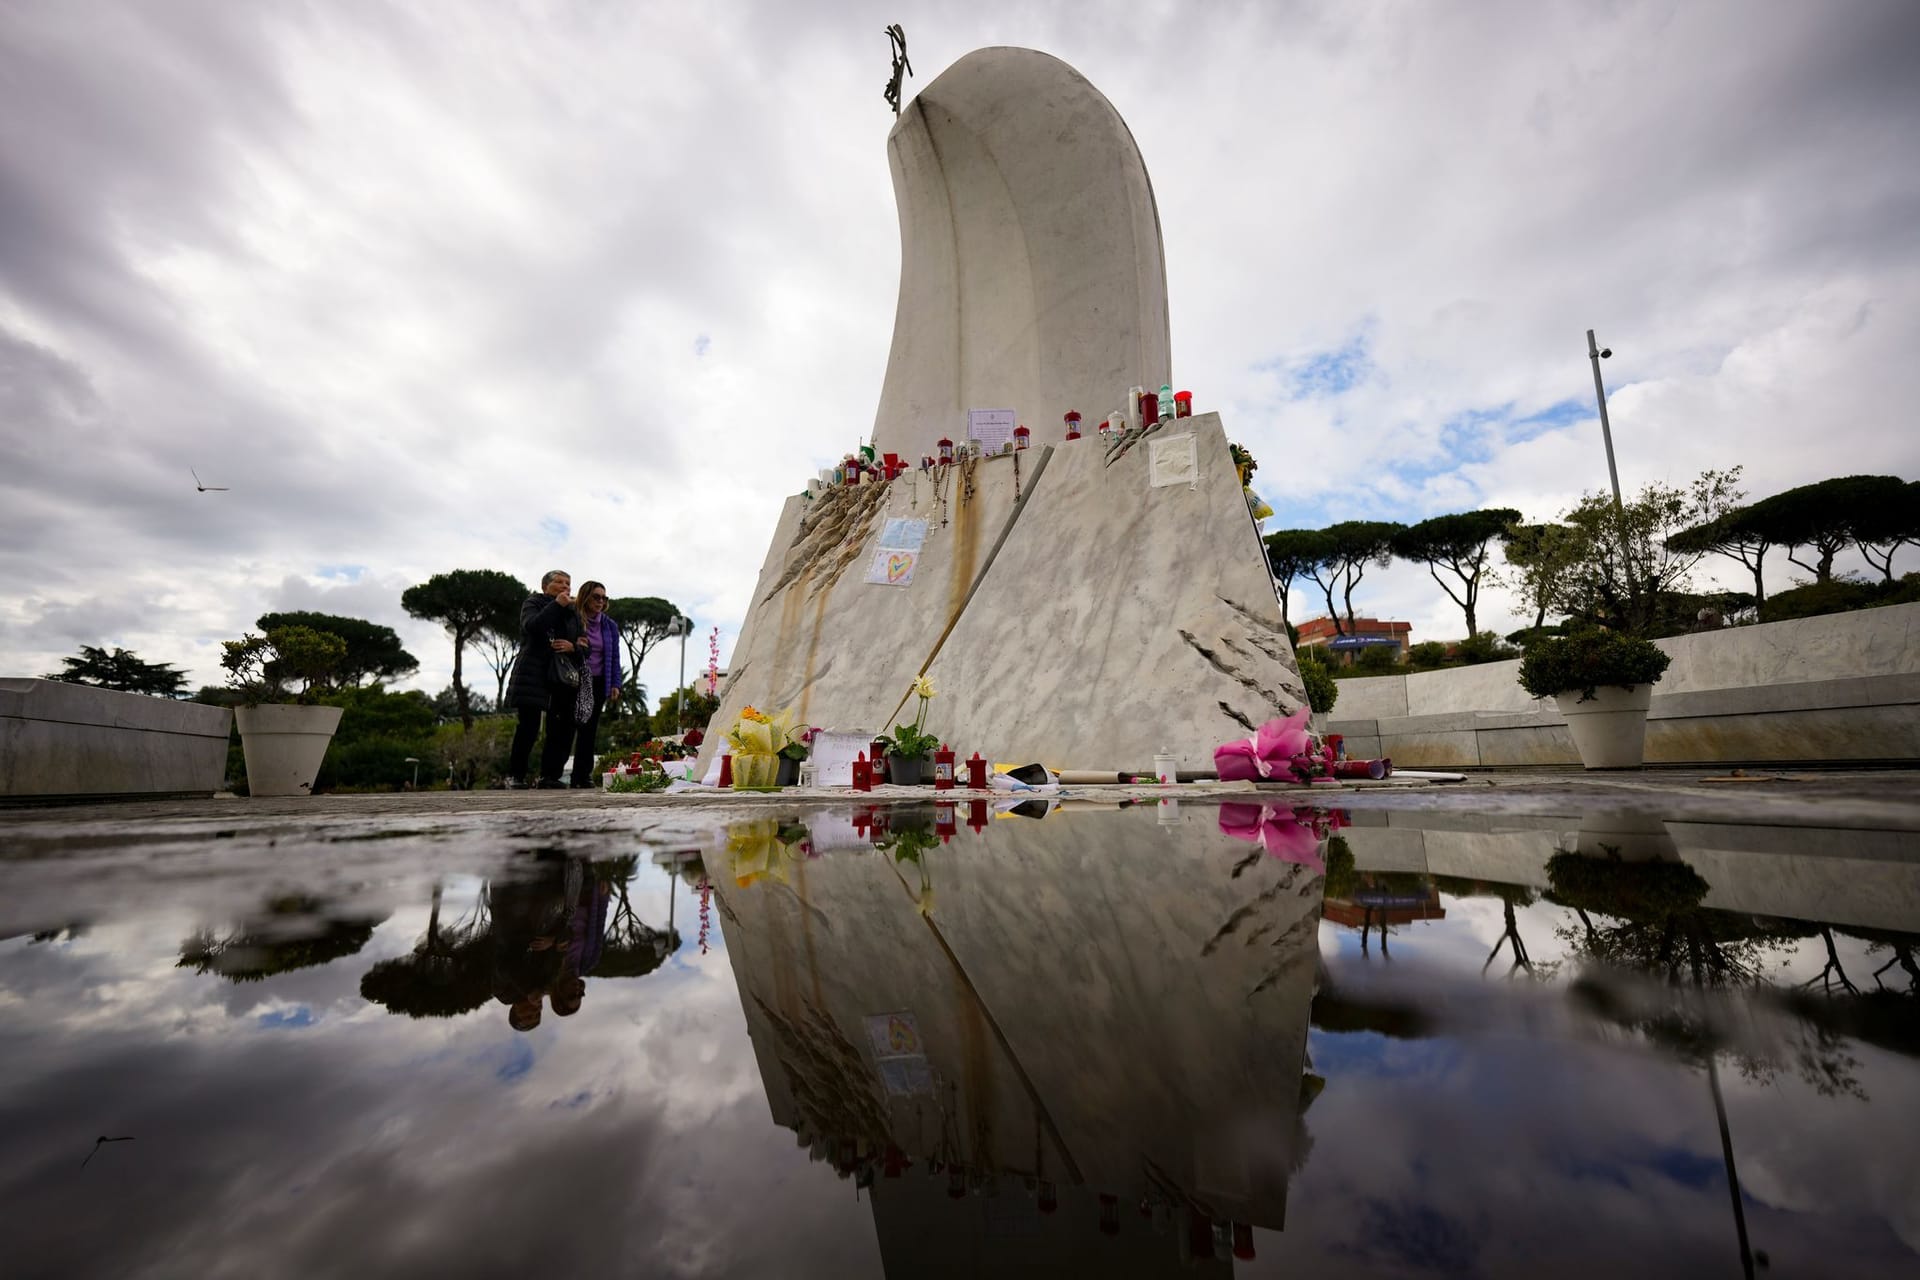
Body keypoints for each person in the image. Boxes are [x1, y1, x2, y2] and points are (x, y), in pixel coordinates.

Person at [505, 569, 587, 788]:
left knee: (560, 729)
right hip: (533, 673)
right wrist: (556, 605)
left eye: (568, 583)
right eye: (559, 582)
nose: (565, 587)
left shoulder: (573, 612)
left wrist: (574, 648)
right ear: (545, 586)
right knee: (528, 727)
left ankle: (549, 776)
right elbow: (532, 626)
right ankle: (516, 775)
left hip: (561, 677)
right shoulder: (533, 602)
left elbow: (584, 647)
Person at [568, 581, 623, 788]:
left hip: (598, 682)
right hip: (573, 679)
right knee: (566, 727)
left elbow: (615, 658)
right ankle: (552, 774)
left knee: (589, 730)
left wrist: (615, 683)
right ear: (586, 597)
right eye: (596, 597)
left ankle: (582, 775)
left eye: (604, 598)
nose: (601, 601)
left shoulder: (609, 626)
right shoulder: (573, 618)